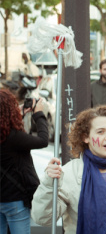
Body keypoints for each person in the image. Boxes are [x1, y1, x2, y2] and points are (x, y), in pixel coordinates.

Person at [31, 106, 106, 234]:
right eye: (100, 132)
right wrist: (48, 185)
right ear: (85, 137)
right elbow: (43, 218)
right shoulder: (68, 174)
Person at [1, 91, 48, 234]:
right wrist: (38, 114)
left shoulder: (9, 136)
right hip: (15, 200)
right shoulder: (14, 137)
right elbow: (43, 140)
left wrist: (19, 114)